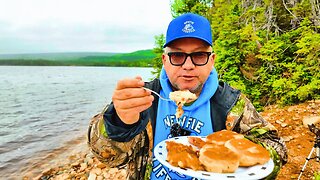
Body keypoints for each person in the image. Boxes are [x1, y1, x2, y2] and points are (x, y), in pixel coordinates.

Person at [87, 13, 287, 179]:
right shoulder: (144, 99)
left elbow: (276, 148)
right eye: (177, 55)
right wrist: (120, 123)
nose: (188, 66)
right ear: (165, 60)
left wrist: (240, 158)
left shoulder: (230, 103)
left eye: (199, 55)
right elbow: (108, 157)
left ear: (212, 61)